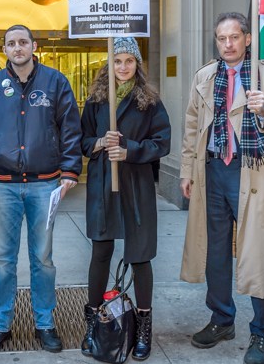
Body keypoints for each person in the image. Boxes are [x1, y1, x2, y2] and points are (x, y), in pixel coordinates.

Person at [179, 12, 264, 364]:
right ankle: (221, 319)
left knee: (259, 253)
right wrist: (186, 171)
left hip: (254, 173)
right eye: (221, 38)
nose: (228, 44)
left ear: (247, 38)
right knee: (215, 252)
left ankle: (263, 333)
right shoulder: (205, 76)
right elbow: (191, 127)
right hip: (213, 172)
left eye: (234, 37)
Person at [0, 24, 82, 355]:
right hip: (4, 185)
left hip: (45, 184)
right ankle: (0, 324)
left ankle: (45, 323)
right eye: (11, 43)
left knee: (43, 259)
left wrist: (70, 170)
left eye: (23, 42)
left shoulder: (55, 81)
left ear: (33, 46)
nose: (17, 47)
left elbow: (70, 126)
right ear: (4, 49)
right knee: (3, 261)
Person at [79, 37, 171, 361]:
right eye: (117, 61)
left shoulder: (150, 101)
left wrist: (130, 149)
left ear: (137, 64)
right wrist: (101, 142)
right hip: (104, 184)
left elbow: (163, 142)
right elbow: (82, 140)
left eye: (128, 61)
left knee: (140, 255)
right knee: (101, 251)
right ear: (109, 63)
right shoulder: (96, 99)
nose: (123, 67)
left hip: (136, 185)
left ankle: (144, 323)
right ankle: (93, 322)